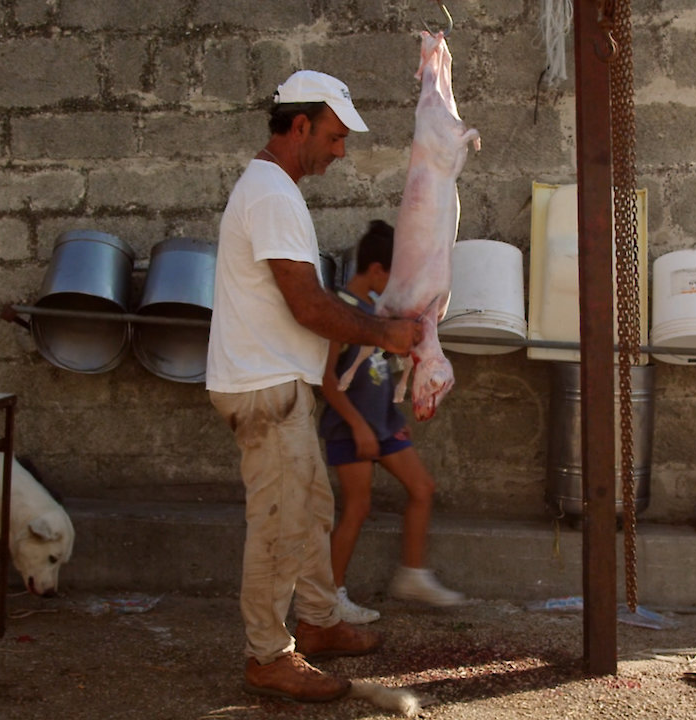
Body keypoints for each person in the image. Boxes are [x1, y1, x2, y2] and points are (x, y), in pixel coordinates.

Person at [205, 70, 423, 703]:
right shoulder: (270, 194)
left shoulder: (277, 190)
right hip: (265, 385)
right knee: (278, 525)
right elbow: (307, 304)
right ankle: (268, 657)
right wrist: (387, 333)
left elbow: (307, 301)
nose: (340, 151)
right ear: (299, 126)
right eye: (332, 137)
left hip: (281, 381)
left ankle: (320, 622)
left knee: (311, 511)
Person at [319, 220, 465, 624]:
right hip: (351, 428)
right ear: (379, 270)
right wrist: (358, 426)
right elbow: (328, 381)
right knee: (358, 507)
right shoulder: (342, 310)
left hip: (385, 423)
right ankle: (331, 596)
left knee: (422, 487)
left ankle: (412, 575)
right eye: (395, 274)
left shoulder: (380, 312)